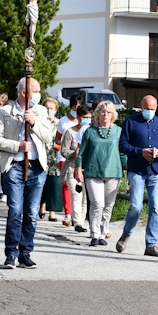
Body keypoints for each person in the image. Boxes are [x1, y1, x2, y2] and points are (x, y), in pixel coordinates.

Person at [0, 77, 53, 269]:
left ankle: (25, 253)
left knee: (31, 212)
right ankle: (11, 253)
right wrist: (17, 146)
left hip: (36, 168)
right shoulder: (5, 112)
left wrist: (33, 123)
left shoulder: (41, 112)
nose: (39, 94)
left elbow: (48, 137)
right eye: (36, 91)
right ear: (24, 92)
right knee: (16, 210)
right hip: (15, 166)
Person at [117, 95, 158, 257]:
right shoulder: (130, 122)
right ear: (141, 106)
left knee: (155, 207)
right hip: (137, 170)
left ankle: (151, 244)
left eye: (153, 109)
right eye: (147, 108)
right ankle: (126, 234)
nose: (150, 111)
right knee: (136, 206)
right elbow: (123, 145)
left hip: (155, 170)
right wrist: (140, 152)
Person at [74, 101, 127, 247]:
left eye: (108, 112)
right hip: (93, 172)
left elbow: (123, 153)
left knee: (108, 205)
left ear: (113, 115)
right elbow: (81, 153)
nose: (105, 114)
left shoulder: (118, 131)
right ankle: (95, 233)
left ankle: (103, 232)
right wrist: (78, 168)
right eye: (103, 111)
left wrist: (127, 171)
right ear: (97, 113)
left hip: (113, 172)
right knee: (97, 203)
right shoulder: (90, 131)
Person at [61, 105, 91, 232]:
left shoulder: (92, 132)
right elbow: (64, 151)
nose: (87, 120)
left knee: (85, 197)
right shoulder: (70, 132)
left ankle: (82, 221)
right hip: (72, 167)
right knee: (76, 194)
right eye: (85, 117)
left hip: (87, 168)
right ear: (78, 118)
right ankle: (77, 222)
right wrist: (75, 153)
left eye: (89, 117)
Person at [55, 94, 81, 226]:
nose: (77, 109)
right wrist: (66, 143)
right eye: (75, 107)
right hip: (65, 156)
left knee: (78, 186)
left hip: (81, 157)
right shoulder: (63, 121)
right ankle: (67, 214)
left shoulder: (83, 122)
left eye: (79, 107)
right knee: (66, 184)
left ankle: (79, 214)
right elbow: (57, 139)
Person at [38, 97, 63, 222]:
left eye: (52, 108)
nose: (49, 110)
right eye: (47, 108)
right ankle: (41, 205)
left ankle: (52, 211)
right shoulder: (39, 122)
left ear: (56, 109)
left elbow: (63, 139)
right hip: (42, 157)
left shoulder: (59, 123)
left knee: (54, 184)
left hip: (55, 158)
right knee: (42, 183)